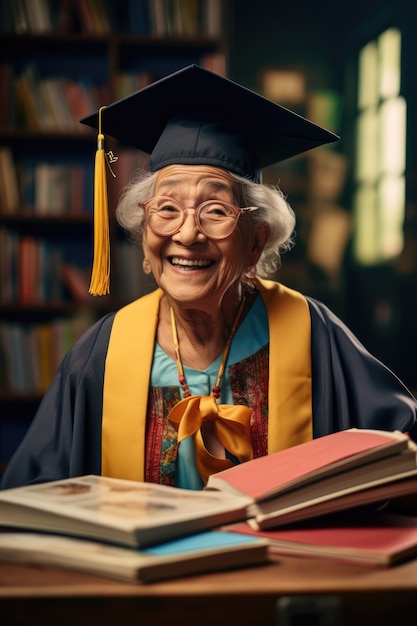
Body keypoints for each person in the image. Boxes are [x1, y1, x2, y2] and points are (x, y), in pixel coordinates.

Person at [1, 65, 416, 491]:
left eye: (216, 211)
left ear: (255, 243)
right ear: (145, 238)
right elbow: (33, 497)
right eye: (167, 209)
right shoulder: (102, 353)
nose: (187, 234)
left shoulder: (314, 334)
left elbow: (400, 455)